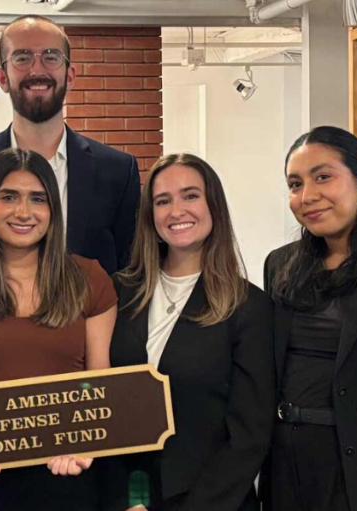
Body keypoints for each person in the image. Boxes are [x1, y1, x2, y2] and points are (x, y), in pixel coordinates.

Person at [0, 148, 117, 511]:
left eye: (38, 199)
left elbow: (98, 383)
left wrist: (84, 441)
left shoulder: (90, 280)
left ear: (53, 210)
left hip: (70, 477)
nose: (23, 212)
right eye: (8, 197)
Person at [104, 153, 275, 511]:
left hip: (213, 501)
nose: (176, 210)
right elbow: (109, 413)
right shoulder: (118, 293)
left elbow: (249, 435)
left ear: (214, 204)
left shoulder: (248, 306)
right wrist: (130, 501)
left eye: (190, 195)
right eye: (162, 201)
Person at [261, 126, 357, 511]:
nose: (308, 196)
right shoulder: (280, 264)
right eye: (295, 184)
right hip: (287, 468)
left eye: (323, 177)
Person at [0, 14, 140, 274]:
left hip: (92, 315)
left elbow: (129, 271)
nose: (37, 70)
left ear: (70, 76)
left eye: (51, 57)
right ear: (2, 78)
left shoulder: (118, 171)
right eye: (22, 57)